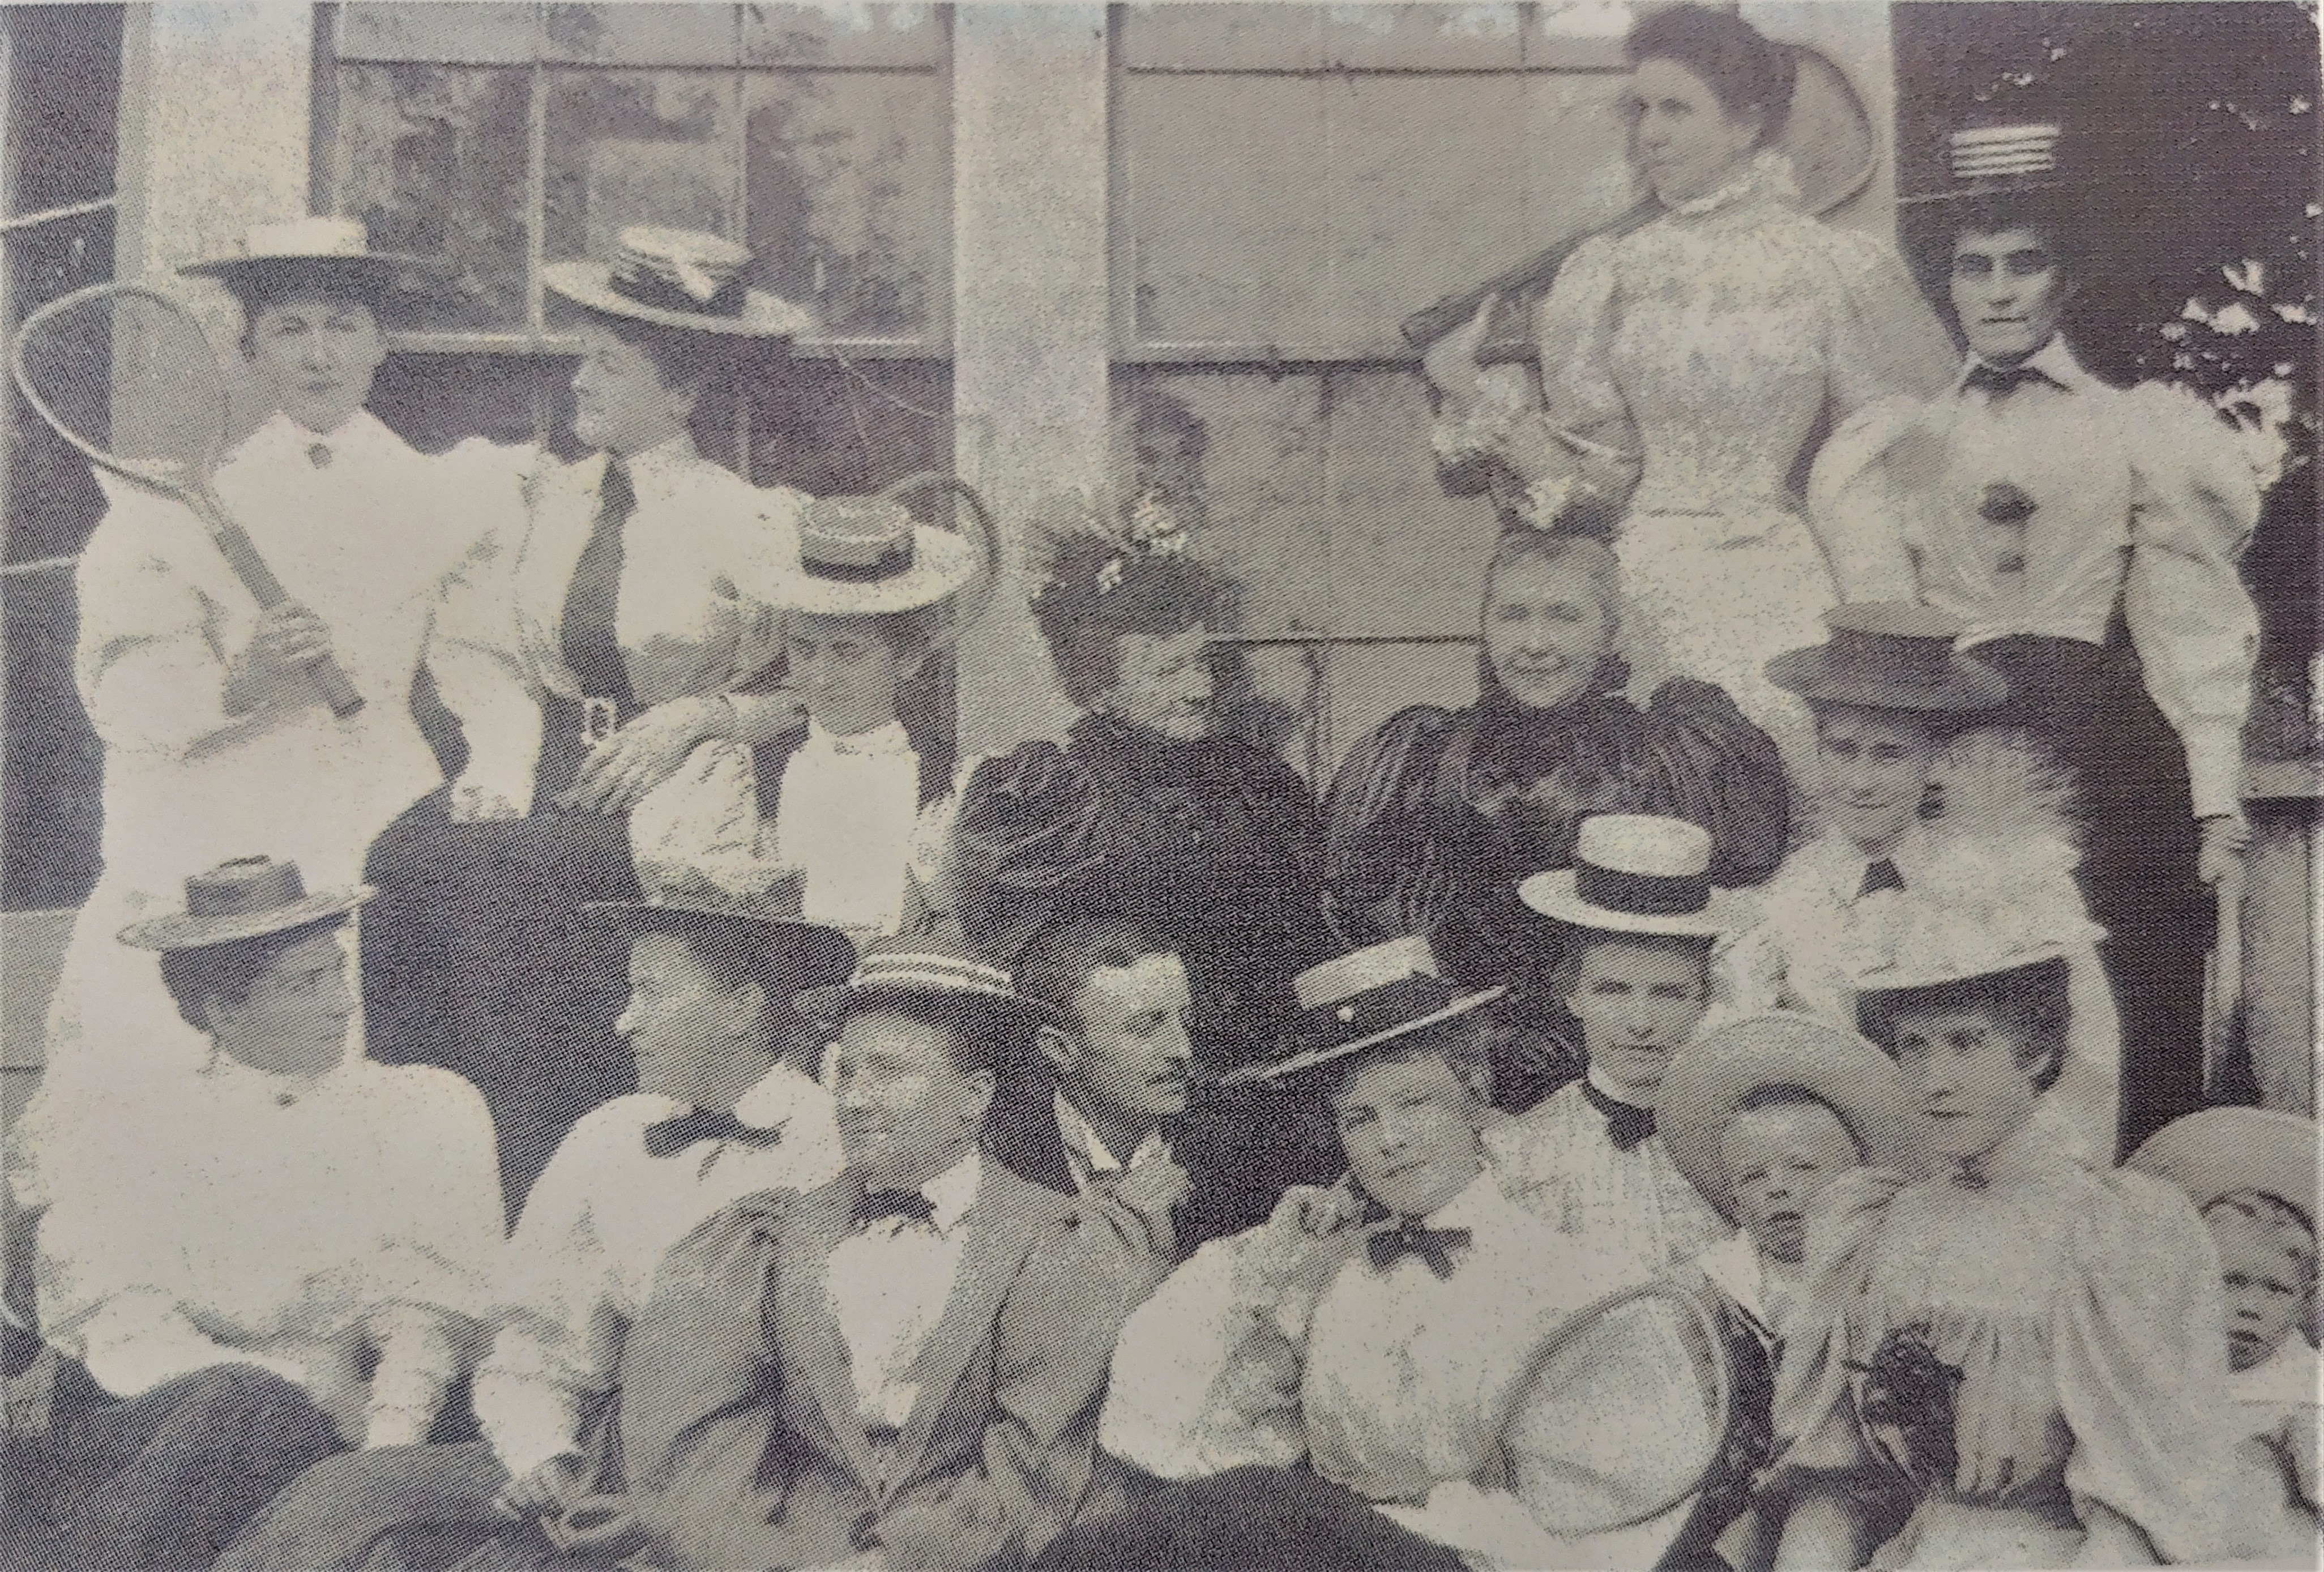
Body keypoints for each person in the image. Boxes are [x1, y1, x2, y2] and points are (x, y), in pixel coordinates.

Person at [18, 217, 514, 1206]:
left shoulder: (449, 491)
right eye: (289, 328)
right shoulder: (174, 506)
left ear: (380, 343)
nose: (320, 354)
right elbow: (123, 696)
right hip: (220, 806)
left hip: (374, 800)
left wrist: (497, 762)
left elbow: (482, 660)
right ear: (247, 350)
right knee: (168, 1041)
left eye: (342, 325)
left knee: (366, 1041)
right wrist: (242, 681)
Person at [1810, 123, 2264, 1152]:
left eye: (2025, 263)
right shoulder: (1900, 439)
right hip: (1963, 751)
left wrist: (2212, 802)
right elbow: (1889, 630)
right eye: (1974, 267)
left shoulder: (2132, 425)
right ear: (1948, 284)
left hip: (2108, 749)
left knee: (2127, 1004)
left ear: (2066, 276)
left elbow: (2183, 618)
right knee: (1962, 997)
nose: (1999, 290)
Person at [362, 225, 822, 1207]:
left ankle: (564, 1195)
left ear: (684, 394)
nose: (580, 381)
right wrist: (495, 750)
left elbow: (813, 688)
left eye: (608, 365)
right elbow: (481, 647)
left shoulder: (745, 517)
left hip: (674, 792)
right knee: (404, 865)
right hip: (549, 770)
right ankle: (448, 1197)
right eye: (583, 357)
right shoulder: (540, 498)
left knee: (533, 907)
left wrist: (699, 716)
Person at [212, 878, 858, 1572]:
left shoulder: (836, 1147)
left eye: (652, 992)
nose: (625, 1022)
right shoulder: (608, 1136)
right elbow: (534, 1342)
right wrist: (542, 1451)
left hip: (748, 1483)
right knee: (341, 1499)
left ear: (743, 1007)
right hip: (589, 1453)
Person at [470, 931, 1169, 1571]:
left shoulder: (1057, 1242)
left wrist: (892, 1564)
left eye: (891, 1072)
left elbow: (1034, 1465)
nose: (857, 1100)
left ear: (975, 1095)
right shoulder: (760, 1242)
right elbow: (703, 1451)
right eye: (849, 1073)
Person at [1424, 6, 1954, 744]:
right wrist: (1469, 393)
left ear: (1745, 124)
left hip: (1783, 579)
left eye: (1677, 109)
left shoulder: (1832, 266)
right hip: (1648, 577)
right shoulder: (1610, 272)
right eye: (1641, 109)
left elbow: (1892, 450)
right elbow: (1594, 483)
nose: (1650, 132)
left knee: (1786, 757)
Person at [1066, 934, 1618, 1570]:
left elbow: (1594, 1511)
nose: (1390, 1140)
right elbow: (1168, 1417)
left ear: (1474, 1095)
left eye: (1415, 1104)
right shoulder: (1324, 1265)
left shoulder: (1555, 1264)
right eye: (1359, 1118)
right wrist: (1270, 1272)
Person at [14, 857, 502, 1572]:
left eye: (339, 971)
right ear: (223, 1009)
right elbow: (124, 1326)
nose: (343, 1003)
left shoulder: (427, 1108)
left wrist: (380, 1452)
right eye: (306, 982)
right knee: (232, 1405)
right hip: (183, 1426)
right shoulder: (140, 1128)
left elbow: (446, 1302)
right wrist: (296, 1387)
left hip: (392, 1415)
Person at [1768, 933, 2261, 1569]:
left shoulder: (2118, 1227)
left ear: (2037, 1051)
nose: (1933, 1080)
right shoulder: (1871, 1222)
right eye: (1913, 1046)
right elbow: (1838, 1479)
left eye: (1966, 1042)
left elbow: (2150, 1501)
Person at [1323, 529, 1786, 1107]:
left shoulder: (1665, 754)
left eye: (1564, 617)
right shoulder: (1424, 758)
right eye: (1514, 616)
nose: (1536, 644)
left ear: (1608, 634)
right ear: (1485, 627)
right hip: (1474, 1065)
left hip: (1632, 1057)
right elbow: (1369, 924)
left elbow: (1725, 903)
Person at [1723, 603, 2121, 1163]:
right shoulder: (1787, 898)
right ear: (1817, 748)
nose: (1860, 781)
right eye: (1842, 750)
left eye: (1890, 754)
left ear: (1933, 758)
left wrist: (2012, 1191)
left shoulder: (2012, 879)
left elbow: (2088, 1064)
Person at [949, 523, 1328, 1078]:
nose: (1199, 688)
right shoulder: (1055, 801)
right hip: (1136, 1084)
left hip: (1284, 1071)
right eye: (1167, 670)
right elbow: (1036, 980)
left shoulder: (1255, 780)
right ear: (1100, 684)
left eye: (1201, 663)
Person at [1655, 1012, 1920, 1570]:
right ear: (1730, 1195)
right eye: (1753, 1177)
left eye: (1803, 1167)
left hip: (1870, 1481)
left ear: (1858, 1177)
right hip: (1749, 1491)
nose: (1779, 1189)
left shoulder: (1886, 1268)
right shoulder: (1717, 1287)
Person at [1483, 814, 1740, 1285]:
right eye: (1612, 990)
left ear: (1705, 1000)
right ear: (1572, 994)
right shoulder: (1518, 1152)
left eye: (1668, 994)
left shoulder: (1744, 1142)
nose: (1640, 1024)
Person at [993, 913, 1304, 1256]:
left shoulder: (1252, 1135)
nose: (1182, 1049)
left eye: (1184, 1020)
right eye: (1144, 1027)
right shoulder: (1001, 1159)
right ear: (1062, 1049)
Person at [758, 490, 980, 942]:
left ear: (909, 657)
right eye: (803, 649)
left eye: (848, 653)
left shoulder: (951, 784)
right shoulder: (750, 772)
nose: (819, 679)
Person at [2128, 1108, 2321, 1532]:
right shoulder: (2162, 1358)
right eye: (2231, 1282)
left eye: (2276, 1290)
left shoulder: (2303, 1383)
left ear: (2303, 1301)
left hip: (2252, 1536)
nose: (2251, 1306)